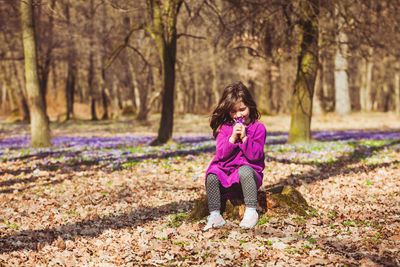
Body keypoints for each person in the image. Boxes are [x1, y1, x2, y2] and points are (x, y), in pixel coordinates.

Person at [203, 81, 266, 231]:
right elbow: (221, 155)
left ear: (250, 106)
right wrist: (231, 138)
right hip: (227, 174)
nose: (238, 115)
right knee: (212, 175)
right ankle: (215, 215)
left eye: (242, 110)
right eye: (233, 111)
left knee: (244, 170)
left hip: (249, 176)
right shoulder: (224, 129)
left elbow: (255, 156)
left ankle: (251, 211)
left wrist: (244, 139)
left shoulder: (258, 128)